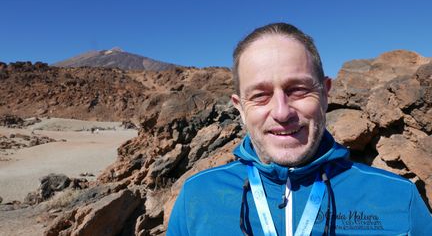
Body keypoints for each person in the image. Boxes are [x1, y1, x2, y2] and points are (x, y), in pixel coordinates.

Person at [167, 23, 431, 235]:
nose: (282, 112)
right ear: (240, 108)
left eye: (298, 90)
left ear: (326, 94)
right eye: (260, 95)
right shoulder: (197, 197)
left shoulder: (398, 197)